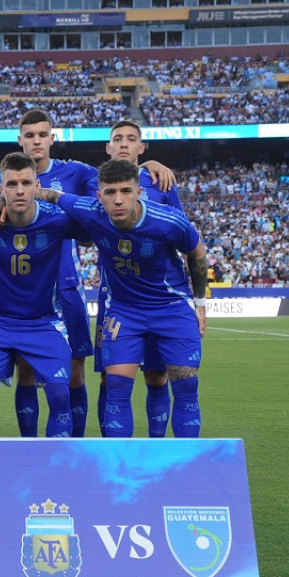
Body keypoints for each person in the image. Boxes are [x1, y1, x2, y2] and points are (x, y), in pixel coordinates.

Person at [11, 110, 175, 438]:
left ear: (52, 138)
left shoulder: (76, 173)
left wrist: (146, 168)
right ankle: (29, 447)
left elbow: (115, 182)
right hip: (23, 289)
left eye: (42, 134)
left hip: (67, 285)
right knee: (25, 371)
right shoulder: (9, 174)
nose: (36, 141)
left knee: (76, 373)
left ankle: (80, 445)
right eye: (29, 135)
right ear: (20, 140)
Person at [31, 158, 208, 437]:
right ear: (99, 196)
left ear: (139, 193)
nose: (118, 200)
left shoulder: (168, 221)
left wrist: (200, 304)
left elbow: (197, 254)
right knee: (116, 388)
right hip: (125, 311)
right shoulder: (90, 211)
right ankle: (118, 472)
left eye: (125, 191)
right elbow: (52, 195)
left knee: (185, 387)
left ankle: (183, 469)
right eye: (110, 193)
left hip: (172, 307)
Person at [0, 152, 84, 438]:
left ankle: (57, 466)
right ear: (1, 188)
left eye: (26, 183)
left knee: (59, 396)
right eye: (12, 184)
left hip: (44, 322)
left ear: (36, 185)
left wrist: (54, 196)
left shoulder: (57, 221)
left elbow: (94, 215)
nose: (19, 190)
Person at [101, 119, 186, 438]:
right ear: (108, 148)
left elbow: (182, 234)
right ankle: (114, 451)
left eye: (131, 139)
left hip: (158, 296)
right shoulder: (95, 182)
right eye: (117, 139)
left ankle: (156, 445)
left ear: (141, 147)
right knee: (112, 378)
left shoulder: (159, 182)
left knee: (156, 376)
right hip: (115, 297)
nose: (124, 144)